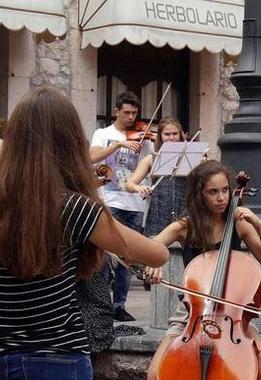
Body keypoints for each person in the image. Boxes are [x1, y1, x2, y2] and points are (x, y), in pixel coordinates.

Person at [0, 87, 168, 380]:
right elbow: (157, 255)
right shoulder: (75, 206)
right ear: (69, 143)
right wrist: (176, 228)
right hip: (60, 356)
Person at [134, 160, 261, 380]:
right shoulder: (184, 227)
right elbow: (144, 250)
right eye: (213, 192)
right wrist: (152, 264)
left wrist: (260, 226)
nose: (221, 198)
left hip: (232, 317)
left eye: (225, 190)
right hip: (191, 314)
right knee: (155, 374)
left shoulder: (238, 225)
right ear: (199, 194)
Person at [89, 91, 154, 322]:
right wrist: (119, 144)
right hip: (110, 200)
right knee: (104, 256)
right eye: (126, 112)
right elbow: (93, 157)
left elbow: (147, 167)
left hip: (134, 204)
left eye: (134, 113)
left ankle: (119, 305)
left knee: (128, 257)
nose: (130, 117)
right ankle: (102, 304)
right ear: (117, 111)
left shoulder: (143, 137)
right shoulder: (103, 134)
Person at [126, 117, 187, 237]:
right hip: (158, 212)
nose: (171, 138)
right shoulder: (151, 158)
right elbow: (129, 184)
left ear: (180, 135)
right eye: (167, 134)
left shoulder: (189, 157)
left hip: (184, 209)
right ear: (160, 136)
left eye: (175, 134)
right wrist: (140, 188)